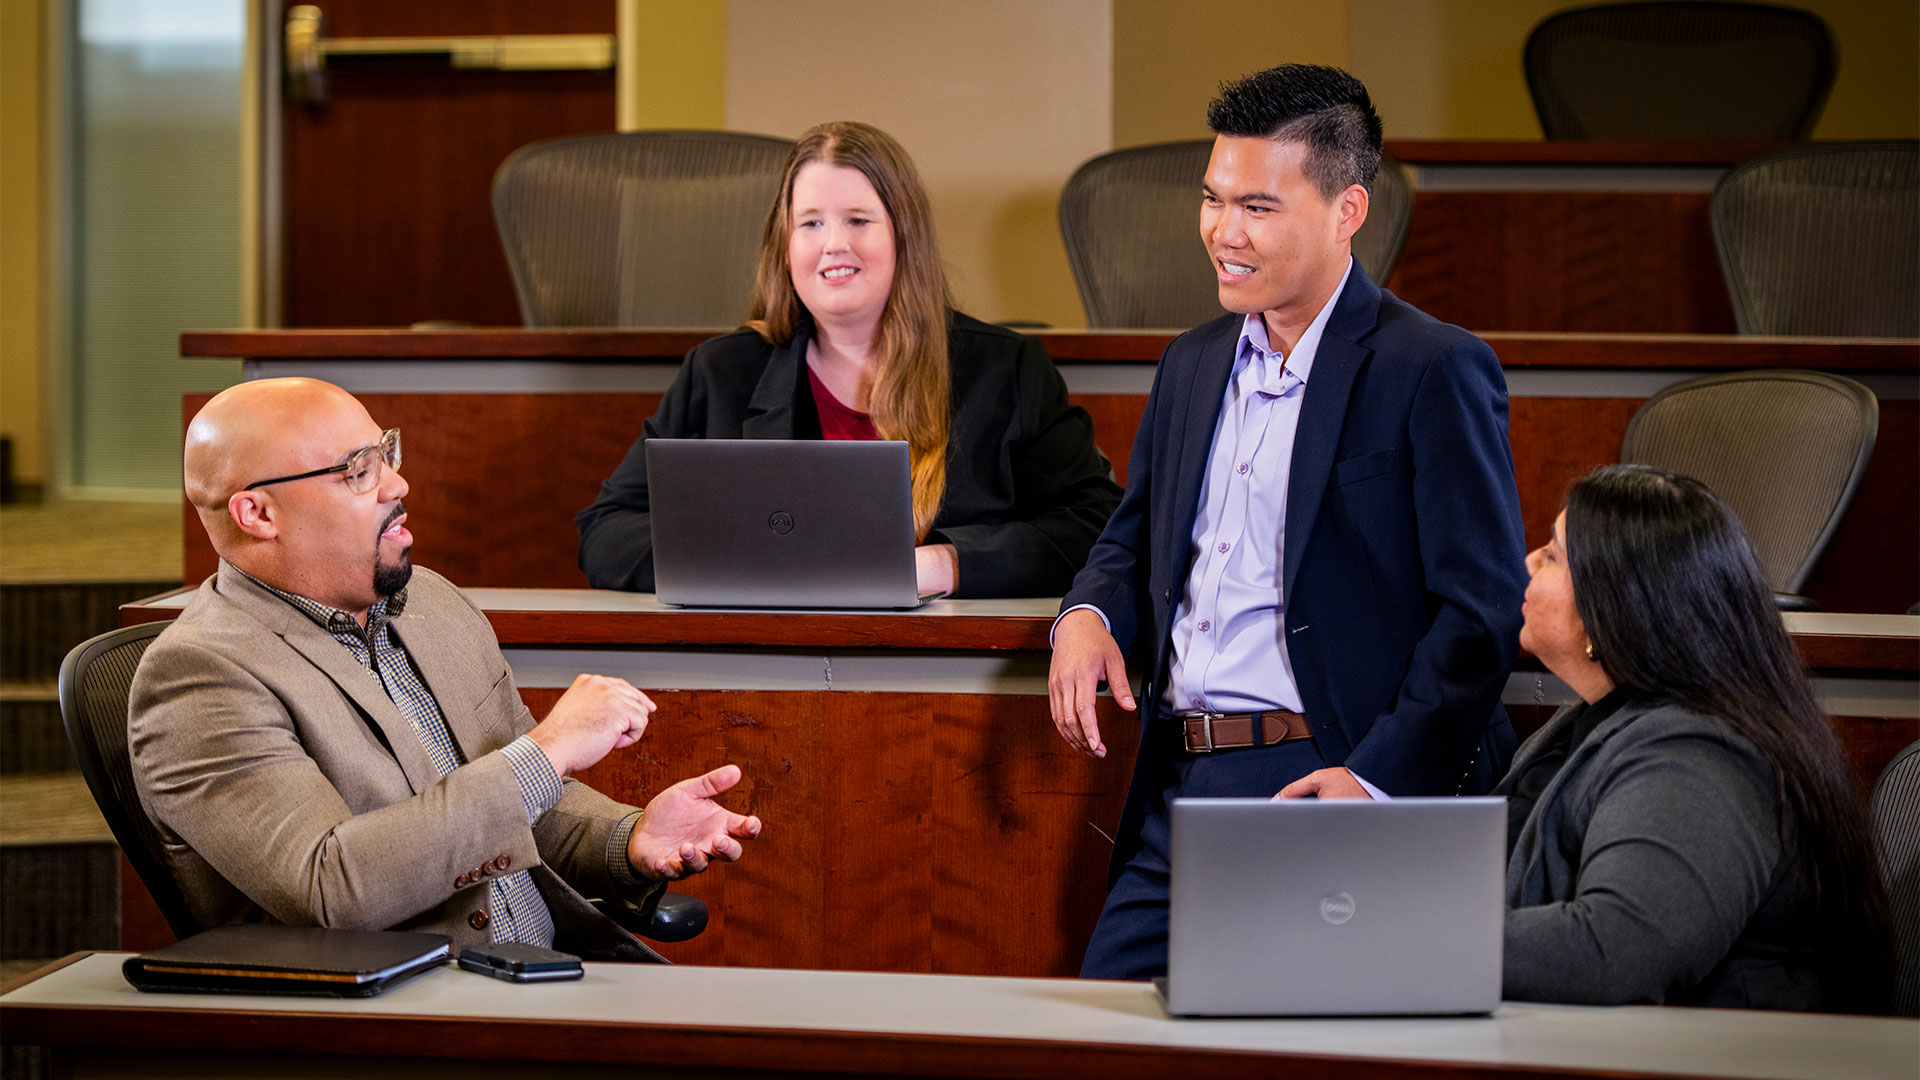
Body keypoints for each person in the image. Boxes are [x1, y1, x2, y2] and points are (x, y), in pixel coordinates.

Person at [1048, 65, 1527, 980]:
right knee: (1106, 1019)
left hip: (1323, 774)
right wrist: (1089, 613)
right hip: (1178, 778)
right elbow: (1133, 535)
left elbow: (1481, 612)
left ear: (1348, 210)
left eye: (1258, 208)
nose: (1223, 232)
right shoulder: (1190, 362)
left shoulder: (1433, 368)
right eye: (1213, 199)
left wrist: (1376, 781)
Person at [130, 378, 762, 961]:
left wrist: (627, 838)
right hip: (397, 1013)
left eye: (386, 454)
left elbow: (523, 803)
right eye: (359, 471)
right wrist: (547, 752)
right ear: (258, 514)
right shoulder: (200, 677)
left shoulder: (431, 602)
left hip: (541, 976)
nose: (397, 485)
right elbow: (331, 889)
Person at [1294, 464, 1894, 1012]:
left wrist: (1391, 936)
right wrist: (1357, 871)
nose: (1529, 561)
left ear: (1611, 606)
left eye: (1554, 556)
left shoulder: (1697, 755)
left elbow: (1614, 952)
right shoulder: (1598, 720)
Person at [576, 121, 1122, 599]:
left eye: (858, 220)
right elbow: (606, 531)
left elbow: (1096, 525)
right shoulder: (719, 374)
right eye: (811, 223)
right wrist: (745, 558)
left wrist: (942, 565)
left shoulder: (1008, 370)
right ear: (784, 247)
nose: (833, 243)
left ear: (904, 236)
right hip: (764, 660)